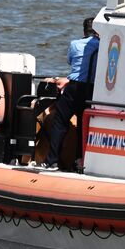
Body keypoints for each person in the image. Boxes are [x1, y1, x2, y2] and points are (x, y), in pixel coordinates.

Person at [45, 17, 98, 170]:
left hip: (73, 88)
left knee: (60, 122)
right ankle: (79, 160)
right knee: (84, 125)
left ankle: (52, 161)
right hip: (90, 90)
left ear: (84, 31)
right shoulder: (101, 46)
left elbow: (71, 62)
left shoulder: (74, 44)